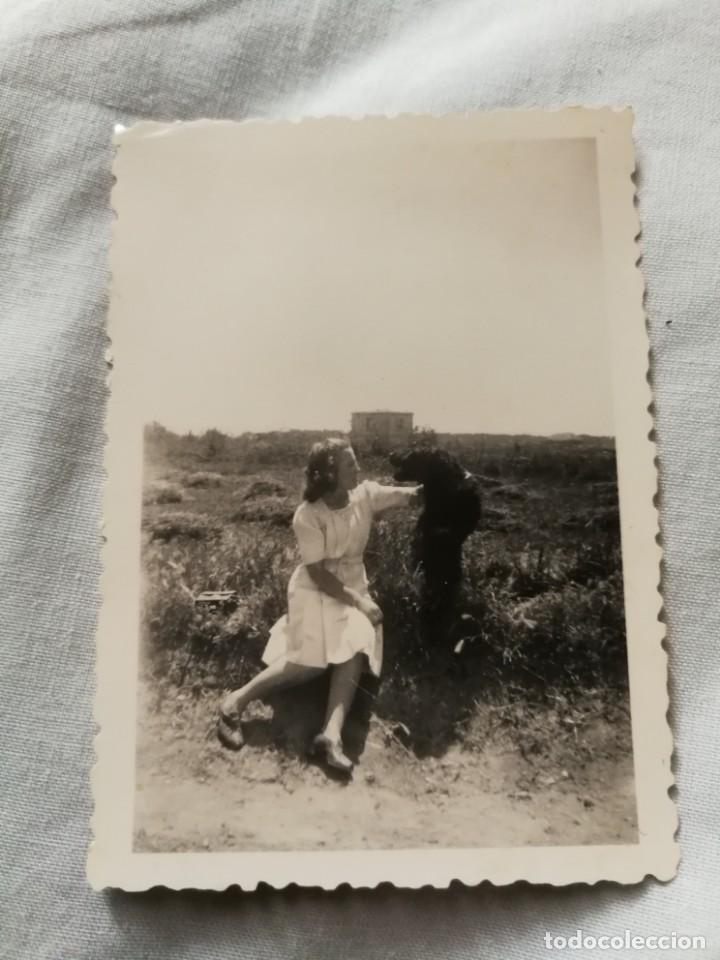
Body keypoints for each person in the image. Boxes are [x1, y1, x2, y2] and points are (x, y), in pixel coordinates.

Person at [217, 438, 422, 773]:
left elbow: (409, 496)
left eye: (355, 463)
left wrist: (449, 483)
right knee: (308, 665)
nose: (358, 469)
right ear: (329, 474)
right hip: (315, 589)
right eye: (349, 465)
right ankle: (233, 702)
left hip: (352, 586)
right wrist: (360, 602)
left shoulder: (365, 495)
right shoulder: (308, 515)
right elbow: (317, 573)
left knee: (356, 638)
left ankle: (330, 736)